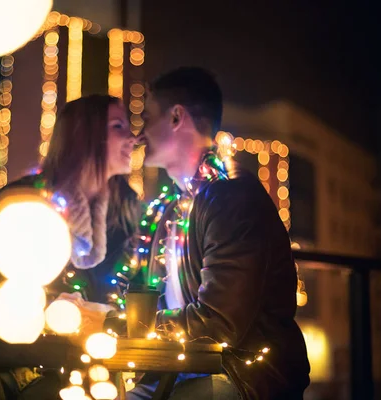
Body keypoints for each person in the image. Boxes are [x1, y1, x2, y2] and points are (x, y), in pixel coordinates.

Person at [67, 67, 311, 399]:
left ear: (176, 117)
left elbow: (218, 326)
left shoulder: (230, 198)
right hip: (169, 372)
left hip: (240, 376)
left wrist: (111, 323)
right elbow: (128, 291)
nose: (139, 134)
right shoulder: (164, 208)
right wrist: (81, 307)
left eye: (147, 117)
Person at [0, 94, 141, 400]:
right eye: (118, 126)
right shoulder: (24, 203)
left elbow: (133, 299)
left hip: (90, 367)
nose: (132, 137)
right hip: (4, 367)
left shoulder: (127, 213)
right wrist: (49, 310)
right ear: (84, 136)